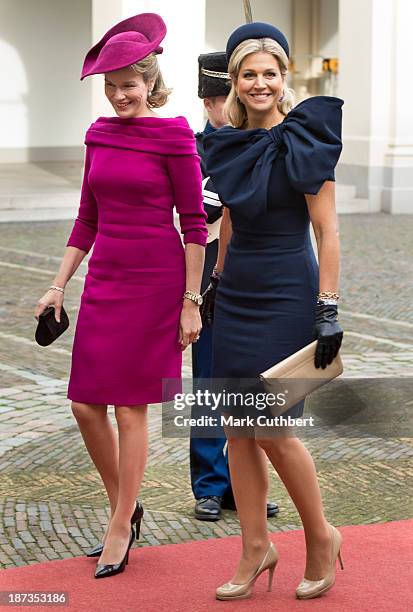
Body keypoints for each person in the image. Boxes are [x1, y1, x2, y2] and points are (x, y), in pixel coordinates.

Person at [34, 13, 207, 579]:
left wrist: (189, 300)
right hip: (106, 280)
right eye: (109, 87)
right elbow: (87, 218)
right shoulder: (99, 135)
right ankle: (126, 506)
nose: (118, 96)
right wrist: (59, 284)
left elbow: (194, 224)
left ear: (150, 82)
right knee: (86, 404)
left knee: (131, 410)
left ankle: (117, 524)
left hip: (156, 283)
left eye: (128, 85)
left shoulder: (175, 134)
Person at [202, 22, 344, 601]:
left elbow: (327, 230)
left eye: (269, 73)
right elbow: (231, 216)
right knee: (237, 427)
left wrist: (327, 307)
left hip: (288, 289)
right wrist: (215, 278)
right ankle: (256, 546)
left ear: (285, 78)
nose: (259, 83)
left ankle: (321, 537)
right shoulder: (229, 140)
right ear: (234, 82)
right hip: (237, 290)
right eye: (248, 74)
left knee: (273, 428)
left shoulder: (305, 138)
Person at [191, 52, 279, 522]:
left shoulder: (266, 141)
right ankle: (209, 483)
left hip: (259, 267)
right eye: (225, 97)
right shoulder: (194, 149)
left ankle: (246, 482)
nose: (236, 104)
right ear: (209, 102)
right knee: (209, 379)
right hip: (207, 264)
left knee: (252, 383)